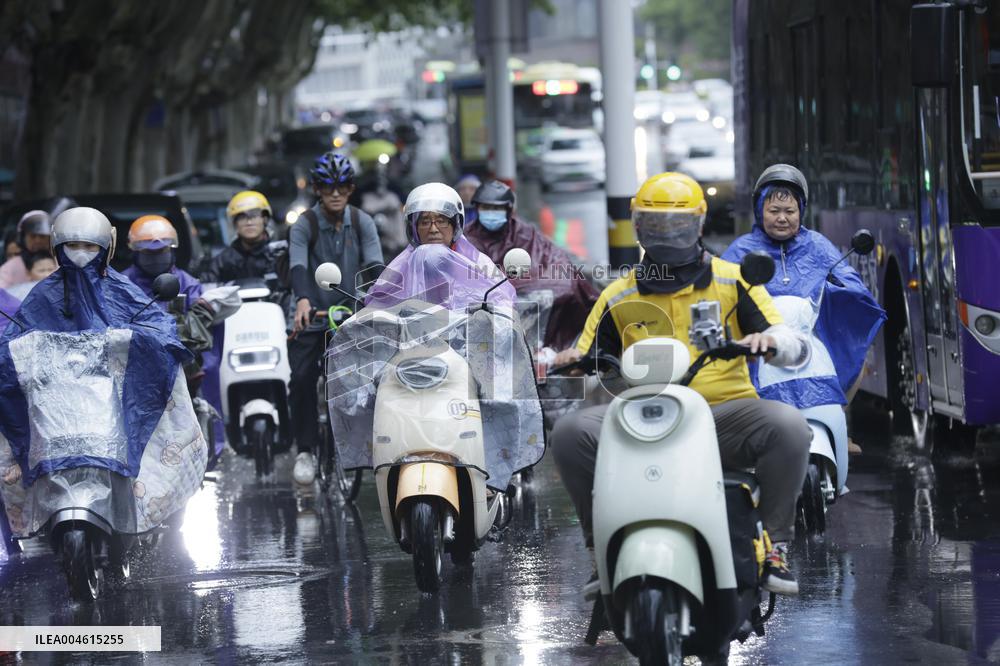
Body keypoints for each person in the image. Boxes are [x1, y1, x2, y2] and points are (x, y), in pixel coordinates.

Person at [550, 172, 812, 595]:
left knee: (790, 427)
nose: (667, 234)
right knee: (569, 434)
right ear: (638, 227)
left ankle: (774, 545)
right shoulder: (618, 295)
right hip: (643, 419)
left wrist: (772, 342)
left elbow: (793, 344)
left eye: (678, 224)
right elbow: (586, 356)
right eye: (656, 225)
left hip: (722, 416)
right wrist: (570, 364)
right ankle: (600, 549)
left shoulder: (733, 279)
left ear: (699, 224)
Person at [722, 164, 886, 459]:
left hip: (811, 337)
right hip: (762, 343)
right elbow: (721, 290)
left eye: (790, 211)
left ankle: (838, 423)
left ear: (801, 211)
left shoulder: (817, 245)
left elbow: (847, 278)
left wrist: (844, 291)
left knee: (859, 354)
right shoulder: (741, 250)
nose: (782, 218)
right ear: (760, 210)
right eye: (774, 211)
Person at [288, 151, 384, 484]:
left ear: (351, 188)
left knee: (376, 375)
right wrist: (302, 300)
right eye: (327, 187)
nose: (335, 193)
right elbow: (298, 266)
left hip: (352, 314)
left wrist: (377, 300)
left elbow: (374, 267)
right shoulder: (305, 224)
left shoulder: (362, 222)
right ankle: (304, 450)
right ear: (316, 189)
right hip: (312, 314)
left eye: (342, 186)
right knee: (301, 378)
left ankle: (369, 442)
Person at [122, 216, 227, 459]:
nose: (156, 256)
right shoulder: (122, 284)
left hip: (181, 361)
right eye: (149, 252)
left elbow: (200, 325)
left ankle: (208, 448)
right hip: (135, 362)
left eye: (161, 251)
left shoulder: (188, 284)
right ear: (135, 252)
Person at [464, 179, 600, 350]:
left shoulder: (525, 234)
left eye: (497, 208)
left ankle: (554, 349)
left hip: (529, 305)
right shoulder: (466, 239)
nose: (491, 213)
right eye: (486, 208)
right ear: (477, 208)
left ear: (508, 209)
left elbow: (555, 261)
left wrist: (522, 283)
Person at [364, 182, 515, 311]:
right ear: (414, 229)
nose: (433, 229)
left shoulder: (478, 263)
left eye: (442, 221)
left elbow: (503, 303)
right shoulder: (399, 269)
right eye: (425, 222)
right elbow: (376, 308)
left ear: (455, 225)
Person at [200, 191, 278, 283]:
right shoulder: (223, 261)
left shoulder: (279, 256)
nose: (249, 223)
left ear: (265, 220)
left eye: (254, 216)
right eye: (242, 217)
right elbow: (207, 285)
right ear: (234, 223)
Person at [0, 210, 52, 289]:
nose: (37, 240)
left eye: (42, 236)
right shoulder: (10, 267)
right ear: (23, 238)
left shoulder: (61, 261)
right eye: (33, 236)